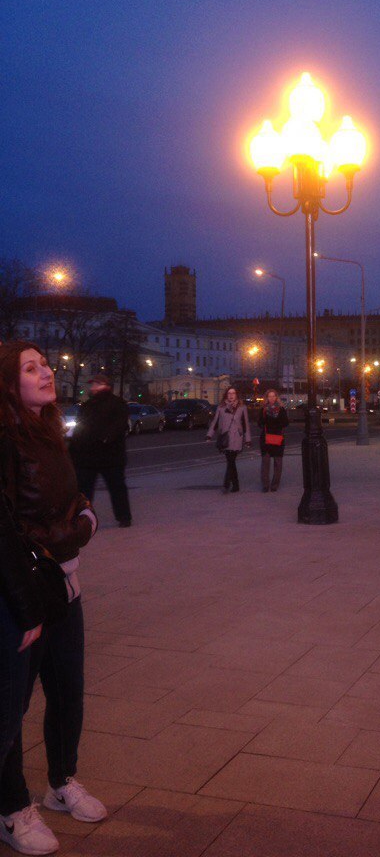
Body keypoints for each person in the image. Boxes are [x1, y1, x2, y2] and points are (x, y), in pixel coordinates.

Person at [0, 341, 106, 857]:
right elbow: (14, 527)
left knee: (68, 691)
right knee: (11, 707)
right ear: (8, 382)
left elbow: (70, 497)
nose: (46, 372)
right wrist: (74, 531)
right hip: (27, 593)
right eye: (30, 367)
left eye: (45, 364)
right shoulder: (7, 439)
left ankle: (61, 781)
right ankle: (13, 807)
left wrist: (82, 513)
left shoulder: (50, 430)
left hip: (66, 584)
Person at [68, 374, 131, 527]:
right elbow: (80, 429)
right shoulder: (89, 405)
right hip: (94, 457)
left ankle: (123, 517)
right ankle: (84, 519)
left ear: (107, 385)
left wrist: (105, 438)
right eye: (93, 384)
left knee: (114, 489)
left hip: (107, 456)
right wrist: (72, 449)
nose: (93, 387)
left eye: (97, 384)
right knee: (88, 491)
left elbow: (119, 426)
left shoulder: (116, 404)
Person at [206, 387, 250, 493]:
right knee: (231, 461)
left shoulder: (242, 407)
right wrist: (209, 435)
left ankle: (228, 483)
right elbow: (215, 422)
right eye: (229, 393)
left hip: (237, 438)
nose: (231, 395)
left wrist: (247, 439)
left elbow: (245, 424)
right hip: (226, 438)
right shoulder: (221, 407)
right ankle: (234, 484)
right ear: (226, 395)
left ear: (236, 395)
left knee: (231, 460)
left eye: (233, 393)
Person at [256, 389, 289, 492]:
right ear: (267, 398)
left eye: (273, 396)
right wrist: (265, 420)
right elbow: (260, 423)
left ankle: (275, 485)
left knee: (278, 463)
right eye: (269, 396)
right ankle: (265, 485)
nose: (271, 398)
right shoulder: (264, 409)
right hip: (266, 438)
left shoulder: (281, 409)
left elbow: (286, 423)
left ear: (276, 397)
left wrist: (277, 423)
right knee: (265, 462)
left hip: (278, 438)